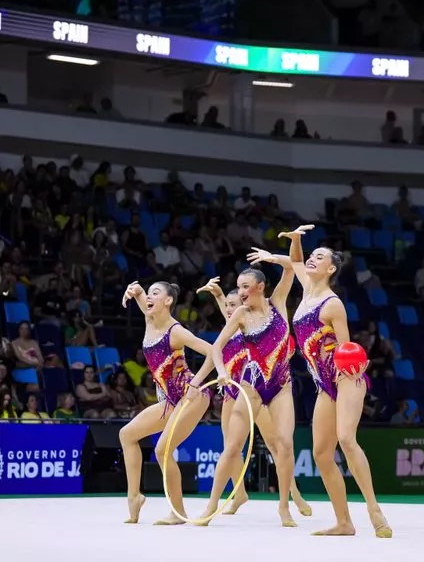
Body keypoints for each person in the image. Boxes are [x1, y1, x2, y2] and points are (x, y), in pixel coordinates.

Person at [254, 225, 391, 538]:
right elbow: (295, 263)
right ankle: (344, 522)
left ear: (331, 268)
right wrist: (291, 245)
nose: (311, 261)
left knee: (346, 438)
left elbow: (345, 348)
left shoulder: (332, 304)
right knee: (320, 454)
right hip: (324, 386)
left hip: (346, 378)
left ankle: (373, 508)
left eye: (320, 257)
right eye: (311, 256)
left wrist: (354, 370)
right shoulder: (306, 290)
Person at [196, 277, 312, 517]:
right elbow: (230, 318)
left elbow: (240, 312)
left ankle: (294, 495)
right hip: (235, 392)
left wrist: (221, 298)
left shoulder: (251, 324)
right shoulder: (237, 321)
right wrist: (220, 297)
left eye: (233, 303)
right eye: (226, 305)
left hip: (265, 388)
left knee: (276, 444)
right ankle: (234, 496)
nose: (228, 309)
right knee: (230, 448)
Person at [119, 280, 227, 525]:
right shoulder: (150, 318)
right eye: (149, 293)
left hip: (192, 397)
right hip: (169, 399)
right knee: (127, 435)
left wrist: (197, 383)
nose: (149, 296)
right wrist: (135, 291)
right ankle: (134, 497)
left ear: (168, 301)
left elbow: (213, 351)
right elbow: (142, 298)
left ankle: (178, 512)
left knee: (162, 450)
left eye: (155, 293)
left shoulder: (175, 331)